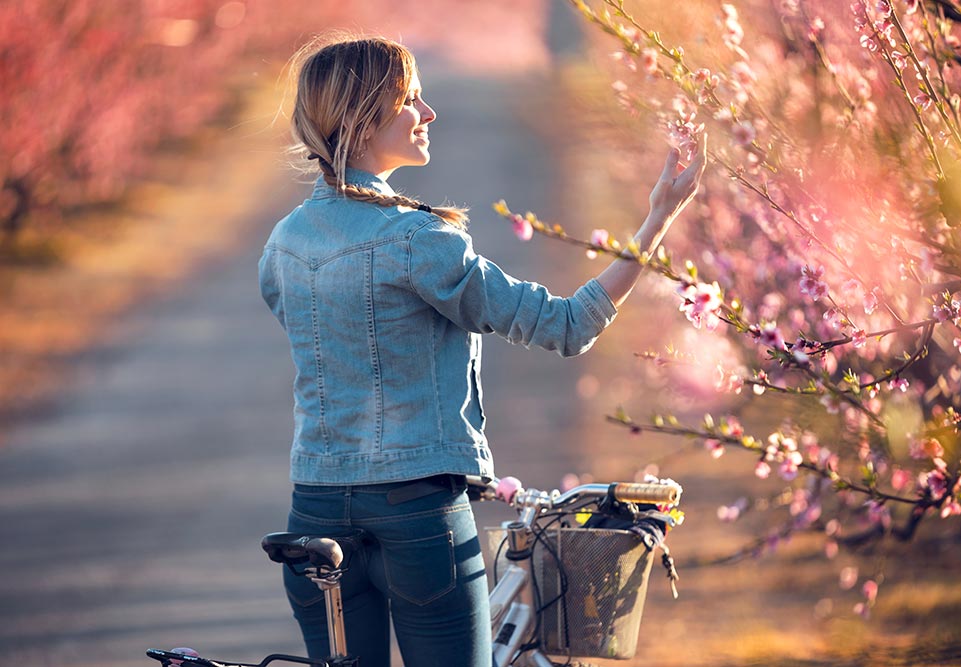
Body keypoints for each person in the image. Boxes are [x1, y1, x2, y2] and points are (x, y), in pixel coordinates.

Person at [258, 34, 705, 667]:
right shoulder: (419, 239)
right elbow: (568, 325)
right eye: (411, 98)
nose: (429, 113)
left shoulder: (282, 244)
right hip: (417, 514)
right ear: (363, 122)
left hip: (315, 506)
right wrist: (657, 218)